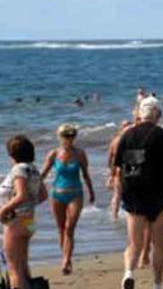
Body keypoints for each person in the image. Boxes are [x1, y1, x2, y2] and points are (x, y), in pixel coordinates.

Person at [115, 96, 163, 289]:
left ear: (140, 114)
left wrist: (119, 195)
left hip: (135, 194)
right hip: (159, 194)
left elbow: (122, 170)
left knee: (134, 243)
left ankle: (129, 273)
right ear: (157, 113)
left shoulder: (128, 135)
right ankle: (157, 284)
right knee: (159, 244)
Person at [39, 124, 96, 275]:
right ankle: (65, 257)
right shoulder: (53, 154)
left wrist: (91, 191)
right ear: (60, 137)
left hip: (75, 194)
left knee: (70, 228)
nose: (68, 139)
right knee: (61, 229)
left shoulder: (80, 154)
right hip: (57, 195)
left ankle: (66, 260)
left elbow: (85, 174)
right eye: (65, 136)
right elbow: (43, 174)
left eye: (71, 136)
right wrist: (33, 189)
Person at [0, 135, 48, 289]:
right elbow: (43, 195)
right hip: (29, 222)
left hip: (16, 222)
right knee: (22, 265)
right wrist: (28, 207)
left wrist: (3, 210)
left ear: (12, 154)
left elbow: (21, 195)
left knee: (14, 268)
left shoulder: (18, 170)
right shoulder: (33, 169)